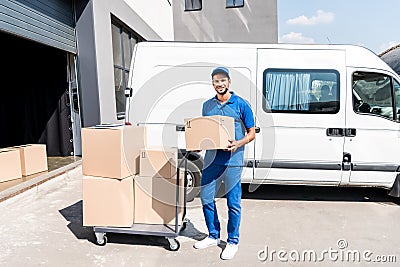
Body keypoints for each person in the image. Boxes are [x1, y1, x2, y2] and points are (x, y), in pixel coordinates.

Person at [193, 66, 255, 260]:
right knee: (206, 198)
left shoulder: (241, 104)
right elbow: (206, 132)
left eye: (222, 80)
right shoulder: (207, 106)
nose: (219, 84)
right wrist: (198, 145)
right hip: (211, 160)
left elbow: (251, 133)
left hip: (233, 161)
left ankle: (232, 241)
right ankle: (213, 235)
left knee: (233, 203)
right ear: (212, 84)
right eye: (216, 81)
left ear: (229, 82)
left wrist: (238, 143)